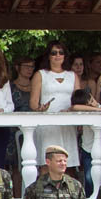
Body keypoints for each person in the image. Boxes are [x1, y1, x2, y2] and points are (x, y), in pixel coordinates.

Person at [28, 41, 81, 169]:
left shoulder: (72, 75)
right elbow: (33, 103)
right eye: (54, 53)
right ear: (48, 56)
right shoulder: (40, 74)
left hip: (67, 125)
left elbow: (79, 100)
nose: (58, 55)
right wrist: (40, 108)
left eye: (61, 52)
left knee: (68, 166)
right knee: (47, 165)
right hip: (47, 126)